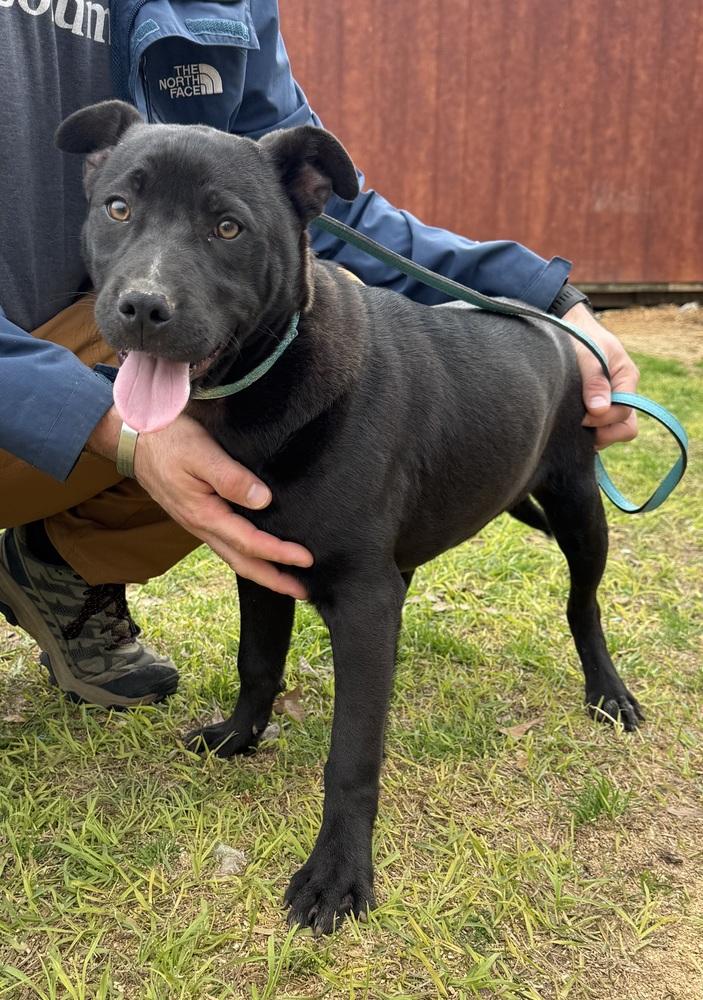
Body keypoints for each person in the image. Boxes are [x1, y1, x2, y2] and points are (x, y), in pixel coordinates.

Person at [0, 0, 639, 707]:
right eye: (121, 208)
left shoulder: (219, 8)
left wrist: (547, 299)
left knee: (284, 362)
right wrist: (109, 425)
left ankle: (57, 567)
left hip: (96, 340)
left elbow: (319, 206)